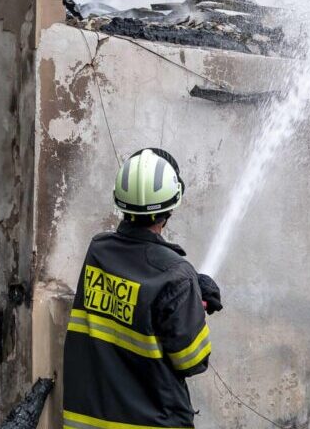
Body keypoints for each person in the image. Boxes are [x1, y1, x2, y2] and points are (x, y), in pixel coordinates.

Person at [63, 148, 223, 429]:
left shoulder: (98, 252)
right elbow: (192, 361)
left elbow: (137, 282)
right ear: (171, 207)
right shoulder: (177, 277)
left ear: (120, 203)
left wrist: (189, 288)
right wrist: (195, 306)